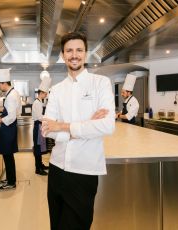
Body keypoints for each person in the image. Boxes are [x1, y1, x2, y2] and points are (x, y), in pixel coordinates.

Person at [41, 32, 115, 229]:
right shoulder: (56, 89)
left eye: (79, 50)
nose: (74, 55)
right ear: (63, 55)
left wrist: (64, 126)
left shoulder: (100, 83)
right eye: (69, 50)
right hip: (57, 169)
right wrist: (86, 125)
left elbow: (107, 125)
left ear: (86, 53)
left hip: (85, 170)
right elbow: (47, 129)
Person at [0, 69, 22, 190]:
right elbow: (9, 111)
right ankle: (10, 179)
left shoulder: (11, 96)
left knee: (8, 156)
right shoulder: (12, 93)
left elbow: (11, 116)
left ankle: (11, 182)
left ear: (4, 83)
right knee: (7, 156)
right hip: (9, 128)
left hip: (8, 129)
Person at [32, 77, 51, 175]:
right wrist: (48, 118)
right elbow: (39, 117)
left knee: (40, 147)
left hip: (39, 126)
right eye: (45, 93)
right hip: (38, 126)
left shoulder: (39, 102)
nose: (46, 95)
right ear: (42, 93)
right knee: (38, 148)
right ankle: (38, 169)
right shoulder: (37, 103)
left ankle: (40, 165)